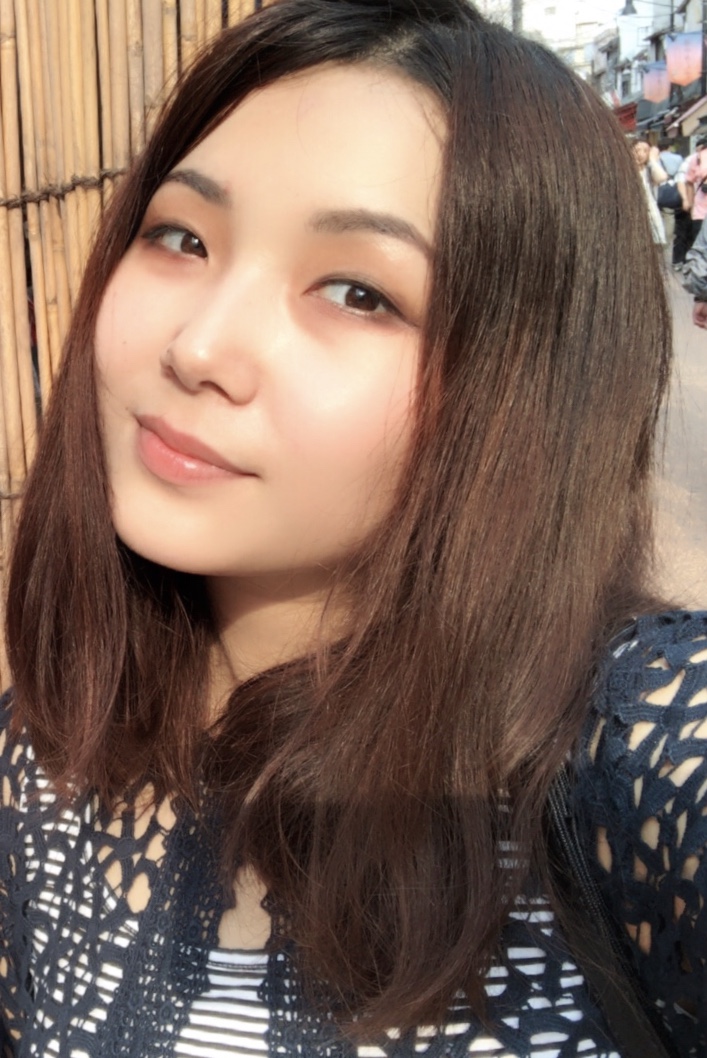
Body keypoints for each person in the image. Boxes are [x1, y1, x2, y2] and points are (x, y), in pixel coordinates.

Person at [0, 1, 705, 1055]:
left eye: (355, 292)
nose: (199, 346)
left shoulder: (632, 748)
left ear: (518, 387)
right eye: (180, 237)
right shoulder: (43, 749)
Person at [632, 138, 668, 245]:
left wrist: (652, 160)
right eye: (637, 150)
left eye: (645, 151)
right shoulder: (625, 171)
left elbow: (662, 177)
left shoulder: (649, 170)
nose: (640, 154)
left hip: (650, 214)